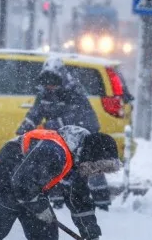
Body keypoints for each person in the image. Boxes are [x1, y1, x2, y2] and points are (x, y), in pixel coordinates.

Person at [16, 56, 112, 211]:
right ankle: (57, 203)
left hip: (83, 134)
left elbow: (80, 118)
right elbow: (35, 113)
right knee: (52, 164)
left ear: (60, 78)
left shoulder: (74, 92)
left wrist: (52, 125)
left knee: (89, 167)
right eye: (46, 82)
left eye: (53, 81)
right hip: (59, 137)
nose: (50, 86)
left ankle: (102, 204)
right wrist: (25, 128)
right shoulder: (44, 94)